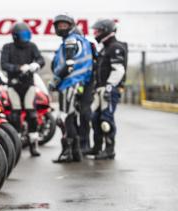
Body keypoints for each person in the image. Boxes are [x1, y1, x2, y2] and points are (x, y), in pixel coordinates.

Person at [50, 14, 93, 163]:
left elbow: (69, 65)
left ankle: (67, 152)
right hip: (78, 83)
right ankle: (76, 153)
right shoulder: (82, 40)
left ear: (71, 26)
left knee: (64, 119)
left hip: (70, 83)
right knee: (71, 118)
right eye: (58, 25)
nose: (61, 28)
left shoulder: (70, 40)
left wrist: (55, 80)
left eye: (64, 25)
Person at [0, 22, 45, 157]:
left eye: (27, 35)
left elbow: (41, 59)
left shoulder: (32, 46)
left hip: (29, 84)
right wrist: (19, 68)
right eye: (22, 36)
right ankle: (16, 143)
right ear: (14, 36)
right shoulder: (7, 47)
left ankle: (33, 143)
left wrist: (36, 64)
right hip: (13, 85)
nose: (25, 38)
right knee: (15, 114)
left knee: (32, 113)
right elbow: (4, 64)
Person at [89, 19, 127, 160]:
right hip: (100, 88)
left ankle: (109, 149)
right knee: (95, 118)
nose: (95, 33)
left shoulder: (115, 47)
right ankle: (97, 147)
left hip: (109, 89)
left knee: (106, 120)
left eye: (98, 30)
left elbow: (119, 70)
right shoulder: (104, 48)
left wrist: (110, 87)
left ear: (106, 31)